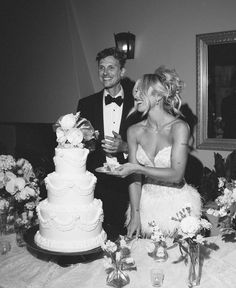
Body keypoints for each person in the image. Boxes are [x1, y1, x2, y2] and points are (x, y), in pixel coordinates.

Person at [114, 66, 202, 238]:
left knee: (176, 261)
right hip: (146, 204)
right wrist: (135, 214)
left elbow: (176, 174)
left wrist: (138, 168)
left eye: (142, 91)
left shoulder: (179, 128)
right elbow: (135, 180)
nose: (135, 95)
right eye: (135, 91)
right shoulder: (134, 131)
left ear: (158, 96)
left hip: (178, 205)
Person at [77, 47, 141, 240]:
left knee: (127, 243)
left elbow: (149, 147)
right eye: (101, 68)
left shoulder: (138, 103)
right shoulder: (86, 104)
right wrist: (85, 140)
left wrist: (124, 147)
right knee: (95, 241)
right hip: (97, 185)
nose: (105, 73)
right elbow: (80, 147)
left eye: (111, 68)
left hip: (129, 184)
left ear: (122, 71)